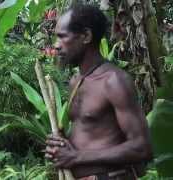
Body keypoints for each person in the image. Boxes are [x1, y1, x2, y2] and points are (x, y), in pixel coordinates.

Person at [45, 5, 153, 180]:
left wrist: (76, 157)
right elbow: (91, 133)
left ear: (86, 36)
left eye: (62, 37)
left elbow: (142, 147)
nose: (56, 46)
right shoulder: (76, 81)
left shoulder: (114, 81)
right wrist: (61, 143)